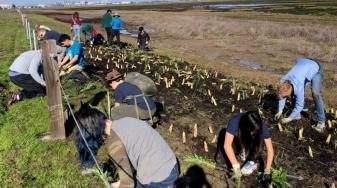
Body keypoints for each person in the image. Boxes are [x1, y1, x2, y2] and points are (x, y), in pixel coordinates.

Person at [75, 106, 179, 187]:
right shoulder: (126, 120)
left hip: (160, 179)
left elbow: (128, 184)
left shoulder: (114, 145)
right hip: (171, 163)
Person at [214, 111, 274, 187]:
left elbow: (270, 150)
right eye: (252, 131)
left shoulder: (262, 126)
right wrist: (235, 166)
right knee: (221, 160)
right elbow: (227, 145)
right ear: (246, 126)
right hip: (237, 137)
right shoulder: (235, 121)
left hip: (249, 141)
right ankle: (238, 153)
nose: (253, 132)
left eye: (255, 131)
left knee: (258, 144)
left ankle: (247, 157)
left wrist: (267, 170)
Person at [274, 58, 326, 133]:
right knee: (294, 93)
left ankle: (322, 122)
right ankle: (296, 114)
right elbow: (282, 96)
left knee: (315, 93)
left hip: (315, 68)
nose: (286, 97)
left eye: (287, 96)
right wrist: (280, 110)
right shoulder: (283, 81)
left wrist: (289, 118)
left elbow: (300, 105)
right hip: (303, 65)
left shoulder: (298, 87)